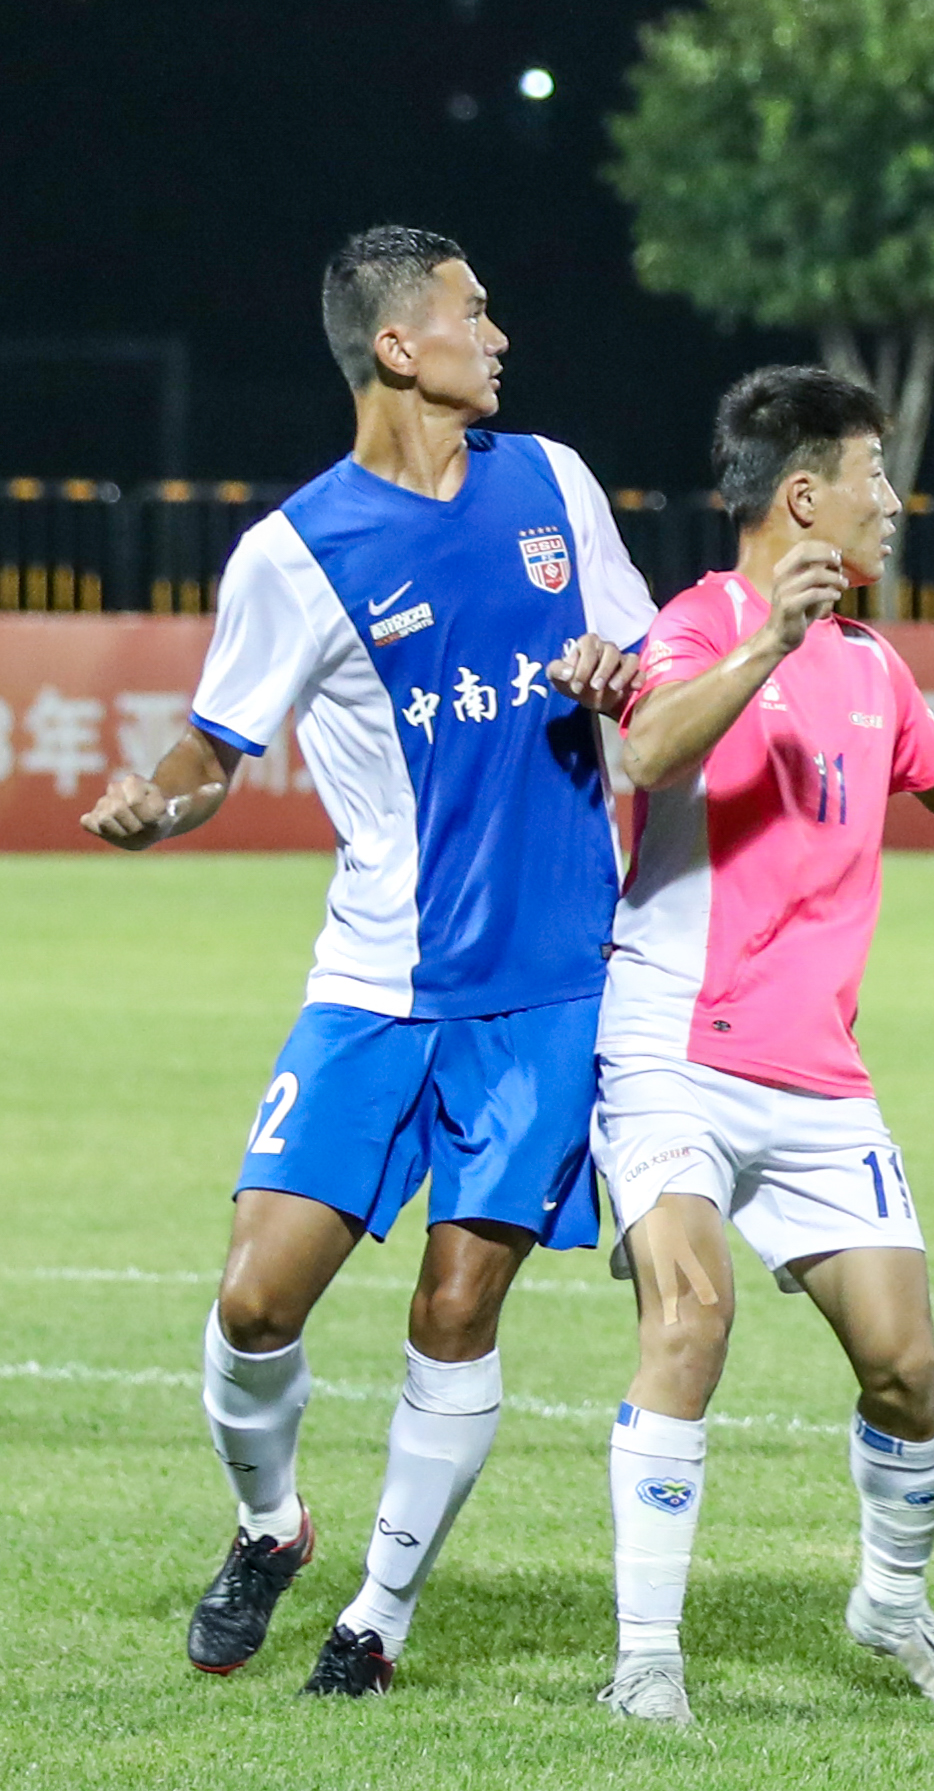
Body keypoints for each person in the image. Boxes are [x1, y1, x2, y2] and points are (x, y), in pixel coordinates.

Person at [78, 226, 653, 1695]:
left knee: (457, 1308)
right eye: (474, 311)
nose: (499, 335)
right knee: (255, 1301)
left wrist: (620, 672)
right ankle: (270, 1526)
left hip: (548, 986)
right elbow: (213, 748)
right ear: (399, 347)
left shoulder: (553, 483)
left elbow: (651, 662)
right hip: (375, 985)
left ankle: (375, 1621)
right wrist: (161, 803)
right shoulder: (296, 552)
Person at [588, 365, 934, 1725]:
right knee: (689, 1312)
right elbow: (647, 750)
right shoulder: (694, 626)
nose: (892, 501)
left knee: (905, 1370)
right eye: (873, 476)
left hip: (819, 1076)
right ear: (802, 496)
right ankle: (646, 1657)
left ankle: (891, 1604)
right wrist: (765, 647)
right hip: (673, 1049)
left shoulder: (869, 663)